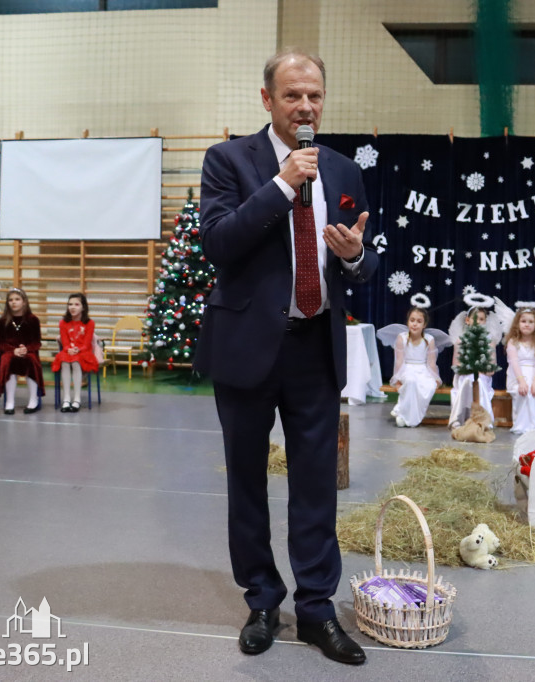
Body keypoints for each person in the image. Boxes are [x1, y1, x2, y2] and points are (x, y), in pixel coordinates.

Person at [193, 48, 378, 665]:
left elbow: (365, 261)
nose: (306, 107)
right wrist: (282, 184)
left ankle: (318, 611)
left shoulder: (346, 171)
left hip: (314, 345)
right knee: (247, 481)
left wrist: (353, 255)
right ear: (267, 99)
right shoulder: (228, 160)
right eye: (293, 95)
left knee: (316, 485)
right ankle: (263, 601)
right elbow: (219, 243)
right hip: (247, 347)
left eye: (315, 96)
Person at [382, 306, 445, 428]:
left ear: (424, 324)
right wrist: (398, 379)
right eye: (412, 320)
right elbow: (399, 361)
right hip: (407, 368)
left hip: (423, 369)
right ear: (407, 322)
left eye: (419, 321)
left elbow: (431, 362)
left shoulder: (429, 339)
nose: (415, 324)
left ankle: (403, 412)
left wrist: (436, 378)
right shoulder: (402, 338)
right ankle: (405, 415)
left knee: (429, 386)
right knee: (411, 381)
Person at [0, 288, 44, 414]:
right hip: (10, 352)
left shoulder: (33, 320)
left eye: (17, 299)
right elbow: (1, 344)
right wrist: (14, 350)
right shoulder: (2, 321)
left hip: (28, 352)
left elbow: (37, 342)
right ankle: (9, 401)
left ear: (24, 302)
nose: (13, 302)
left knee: (31, 361)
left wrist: (26, 349)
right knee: (8, 361)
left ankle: (33, 399)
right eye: (10, 300)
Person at [448, 307, 497, 429]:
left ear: (485, 322)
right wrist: (470, 368)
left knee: (478, 381)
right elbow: (456, 365)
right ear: (467, 320)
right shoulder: (460, 340)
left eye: (481, 319)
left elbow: (491, 369)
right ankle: (460, 418)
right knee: (468, 380)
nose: (478, 322)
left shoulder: (490, 342)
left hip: (483, 375)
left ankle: (483, 419)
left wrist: (479, 370)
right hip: (463, 375)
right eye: (475, 318)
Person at [504, 307, 535, 435]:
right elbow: (514, 362)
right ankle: (522, 425)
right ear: (517, 324)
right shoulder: (512, 342)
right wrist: (521, 381)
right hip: (517, 375)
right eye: (523, 321)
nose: (527, 324)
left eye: (531, 322)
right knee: (523, 390)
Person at [51, 293, 98, 413]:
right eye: (70, 304)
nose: (72, 307)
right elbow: (65, 342)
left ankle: (77, 399)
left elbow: (87, 343)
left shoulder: (90, 323)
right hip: (68, 351)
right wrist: (68, 349)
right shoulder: (63, 323)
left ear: (83, 307)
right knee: (65, 362)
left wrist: (78, 350)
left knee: (76, 362)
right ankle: (66, 399)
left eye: (76, 304)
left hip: (84, 353)